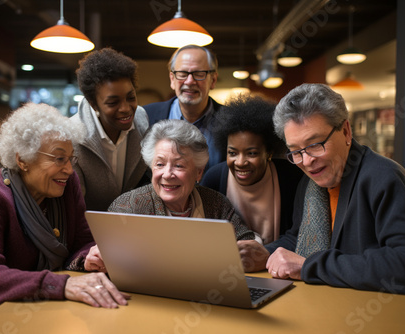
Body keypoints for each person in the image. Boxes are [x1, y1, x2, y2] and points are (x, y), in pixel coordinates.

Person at [0, 103, 129, 333]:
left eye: (70, 158)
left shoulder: (67, 186)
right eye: (58, 159)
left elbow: (82, 242)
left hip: (39, 311)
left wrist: (89, 256)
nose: (69, 169)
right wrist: (62, 284)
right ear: (22, 160)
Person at [264, 83, 405, 295]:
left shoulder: (384, 177)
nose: (307, 161)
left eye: (316, 144)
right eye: (295, 151)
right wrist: (263, 253)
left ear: (346, 131)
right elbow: (298, 237)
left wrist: (310, 266)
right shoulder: (309, 183)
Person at [107, 119, 263, 272]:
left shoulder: (215, 203)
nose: (167, 174)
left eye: (179, 165)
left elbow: (245, 241)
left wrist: (252, 250)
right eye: (160, 164)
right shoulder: (128, 206)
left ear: (198, 172)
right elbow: (102, 257)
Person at [201, 95, 303, 244]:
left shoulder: (290, 177)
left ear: (269, 152)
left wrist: (264, 254)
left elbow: (298, 235)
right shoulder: (214, 179)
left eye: (252, 153)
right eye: (232, 153)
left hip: (276, 263)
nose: (241, 162)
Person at [72, 47, 150, 211]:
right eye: (113, 103)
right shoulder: (73, 136)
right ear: (93, 104)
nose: (126, 108)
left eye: (131, 97)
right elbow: (74, 205)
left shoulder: (142, 120)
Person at [143, 44, 224, 172]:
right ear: (172, 79)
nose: (190, 81)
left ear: (213, 80)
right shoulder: (146, 116)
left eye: (198, 73)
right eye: (182, 73)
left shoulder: (231, 120)